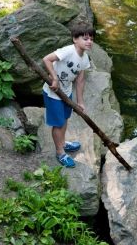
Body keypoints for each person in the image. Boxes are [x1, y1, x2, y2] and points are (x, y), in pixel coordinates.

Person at [42, 24, 94, 168]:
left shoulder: (85, 58)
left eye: (91, 39)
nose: (89, 41)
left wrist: (80, 102)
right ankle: (60, 152)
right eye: (85, 38)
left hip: (66, 92)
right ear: (75, 39)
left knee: (65, 119)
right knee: (58, 123)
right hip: (53, 93)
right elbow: (46, 59)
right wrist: (54, 78)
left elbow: (80, 80)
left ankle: (63, 143)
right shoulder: (67, 51)